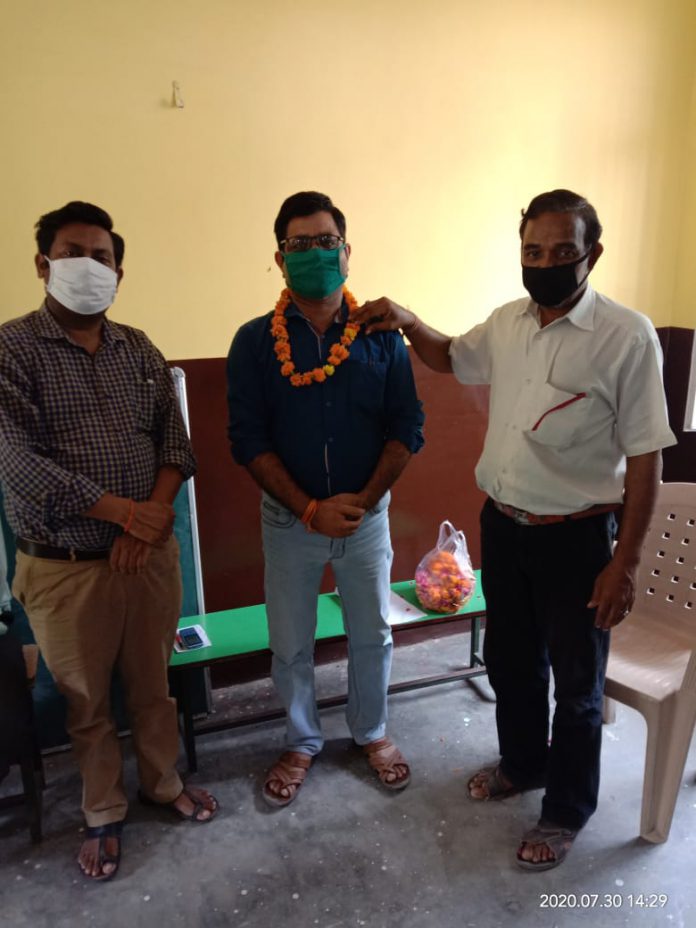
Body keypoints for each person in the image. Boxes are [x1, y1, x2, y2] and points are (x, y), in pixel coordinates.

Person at [355, 189, 676, 870]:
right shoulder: (508, 323)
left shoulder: (626, 336)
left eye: (563, 251)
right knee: (510, 661)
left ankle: (566, 809)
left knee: (578, 687)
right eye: (534, 250)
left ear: (592, 253)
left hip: (577, 540)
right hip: (503, 527)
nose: (546, 263)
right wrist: (409, 320)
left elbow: (648, 457)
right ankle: (524, 764)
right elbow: (450, 356)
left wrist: (624, 563)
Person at [0, 201, 218, 882]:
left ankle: (162, 782)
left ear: (119, 272)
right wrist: (126, 515)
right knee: (86, 702)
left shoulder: (139, 347)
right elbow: (18, 463)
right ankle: (101, 809)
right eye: (73, 253)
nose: (88, 267)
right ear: (43, 265)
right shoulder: (11, 349)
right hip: (65, 567)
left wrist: (148, 520)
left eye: (102, 257)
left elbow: (176, 443)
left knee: (154, 686)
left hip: (147, 558)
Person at [227, 191, 424, 806]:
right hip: (290, 523)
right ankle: (302, 739)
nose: (315, 252)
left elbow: (407, 428)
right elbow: (248, 440)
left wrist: (362, 501)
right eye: (300, 244)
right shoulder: (254, 342)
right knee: (290, 642)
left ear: (346, 251)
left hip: (367, 519)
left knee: (373, 632)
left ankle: (371, 731)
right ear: (280, 259)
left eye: (326, 241)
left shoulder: (382, 338)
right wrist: (309, 509)